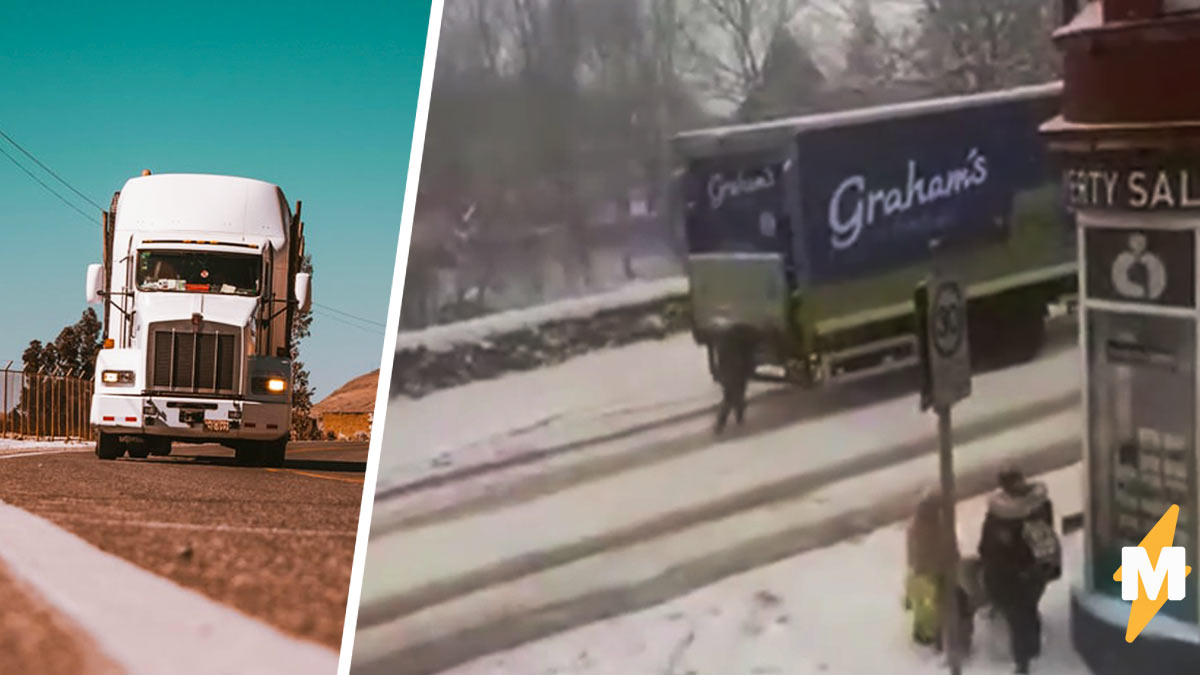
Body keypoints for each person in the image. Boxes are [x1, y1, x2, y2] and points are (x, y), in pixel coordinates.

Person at [978, 467, 1060, 674]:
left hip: (1007, 576)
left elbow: (986, 548)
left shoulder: (999, 517)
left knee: (1018, 618)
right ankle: (1032, 649)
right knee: (1027, 611)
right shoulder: (1040, 505)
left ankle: (1023, 662)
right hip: (1036, 572)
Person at [904, 488, 973, 653]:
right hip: (935, 574)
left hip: (929, 574)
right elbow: (943, 552)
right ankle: (950, 643)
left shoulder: (920, 526)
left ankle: (943, 640)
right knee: (947, 608)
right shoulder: (933, 527)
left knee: (937, 608)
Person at [713, 324, 757, 434]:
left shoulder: (724, 342)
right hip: (736, 371)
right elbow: (746, 356)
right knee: (733, 396)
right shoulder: (740, 341)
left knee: (732, 396)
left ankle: (730, 420)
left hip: (730, 372)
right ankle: (729, 421)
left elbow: (721, 360)